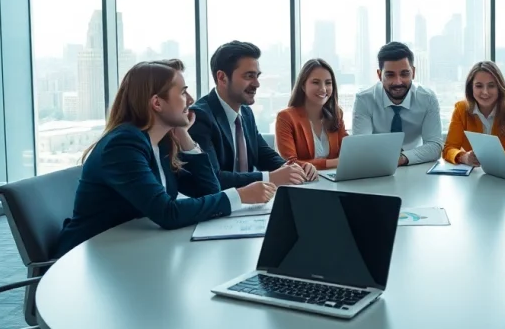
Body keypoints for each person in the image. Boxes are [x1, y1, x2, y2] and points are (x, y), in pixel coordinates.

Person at [54, 60, 276, 257]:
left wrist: (184, 136)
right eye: (183, 93)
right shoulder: (123, 146)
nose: (190, 100)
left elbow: (209, 190)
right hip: (87, 259)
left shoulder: (159, 144)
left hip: (131, 249)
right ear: (157, 103)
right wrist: (240, 196)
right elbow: (168, 213)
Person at [190, 41, 312, 187]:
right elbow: (214, 178)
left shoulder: (246, 112)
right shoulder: (200, 117)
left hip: (253, 199)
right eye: (249, 76)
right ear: (222, 78)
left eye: (257, 76)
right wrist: (269, 178)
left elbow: (263, 154)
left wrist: (293, 168)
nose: (257, 84)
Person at [352, 42, 442, 166]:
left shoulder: (427, 98)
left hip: (414, 165)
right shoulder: (364, 99)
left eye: (404, 74)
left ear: (413, 72)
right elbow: (360, 147)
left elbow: (435, 147)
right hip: (376, 166)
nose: (398, 82)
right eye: (390, 75)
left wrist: (402, 158)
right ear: (379, 75)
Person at [443, 61, 505, 165]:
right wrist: (464, 157)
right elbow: (449, 149)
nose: (485, 92)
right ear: (471, 88)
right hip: (473, 172)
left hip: (501, 170)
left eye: (491, 86)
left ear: (499, 87)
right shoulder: (461, 109)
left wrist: (492, 157)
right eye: (479, 86)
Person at [275, 59, 348, 170]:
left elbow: (348, 153)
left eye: (328, 83)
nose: (323, 89)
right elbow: (290, 164)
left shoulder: (336, 115)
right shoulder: (286, 118)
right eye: (316, 82)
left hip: (333, 178)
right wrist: (332, 163)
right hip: (302, 179)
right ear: (303, 86)